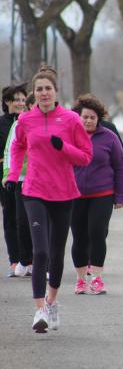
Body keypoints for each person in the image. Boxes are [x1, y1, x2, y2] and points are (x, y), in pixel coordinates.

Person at [6, 64, 92, 333]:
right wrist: (13, 174)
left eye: (48, 89)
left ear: (56, 92)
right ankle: (40, 309)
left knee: (56, 253)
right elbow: (18, 146)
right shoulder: (25, 121)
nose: (44, 93)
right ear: (34, 93)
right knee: (40, 251)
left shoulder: (70, 120)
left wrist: (63, 147)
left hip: (63, 192)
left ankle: (53, 302)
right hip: (33, 190)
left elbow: (85, 156)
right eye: (39, 89)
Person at [70, 94, 123, 295]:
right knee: (79, 236)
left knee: (97, 233)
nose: (88, 120)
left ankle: (97, 278)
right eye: (85, 116)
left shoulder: (109, 137)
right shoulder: (70, 135)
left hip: (103, 193)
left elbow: (120, 166)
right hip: (74, 194)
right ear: (78, 116)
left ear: (98, 119)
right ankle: (80, 279)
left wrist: (120, 196)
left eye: (92, 117)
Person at [3, 91, 35, 277]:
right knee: (21, 222)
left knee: (40, 223)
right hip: (21, 180)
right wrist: (8, 175)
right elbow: (10, 150)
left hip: (43, 180)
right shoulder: (19, 124)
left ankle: (40, 262)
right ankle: (23, 260)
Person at [0, 82, 27, 277]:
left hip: (26, 176)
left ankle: (28, 260)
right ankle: (14, 260)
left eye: (23, 100)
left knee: (25, 218)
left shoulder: (28, 120)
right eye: (16, 100)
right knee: (10, 216)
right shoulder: (2, 123)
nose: (20, 103)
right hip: (5, 175)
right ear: (7, 102)